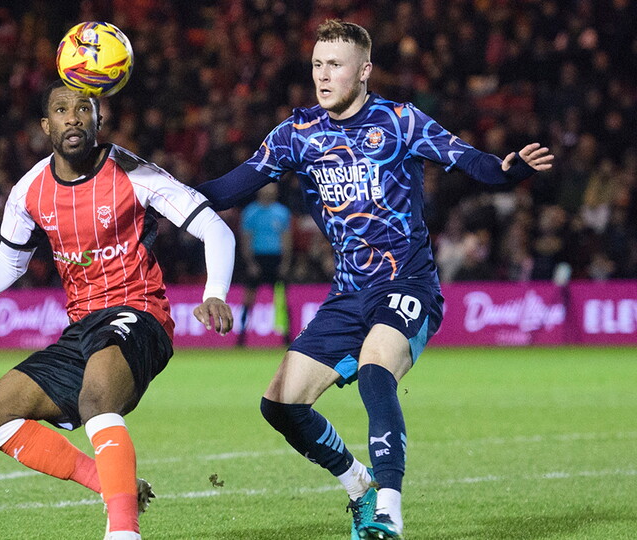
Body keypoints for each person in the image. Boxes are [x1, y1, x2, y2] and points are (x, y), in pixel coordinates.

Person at [196, 20, 553, 540]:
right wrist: (162, 197)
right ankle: (359, 484)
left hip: (407, 283)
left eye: (334, 65)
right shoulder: (297, 134)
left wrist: (511, 169)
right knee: (279, 405)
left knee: (374, 370)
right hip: (347, 294)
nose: (322, 74)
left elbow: (475, 163)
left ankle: (389, 510)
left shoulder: (401, 121)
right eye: (317, 64)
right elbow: (230, 187)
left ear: (364, 71)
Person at [0, 80, 236, 540]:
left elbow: (214, 228)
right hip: (82, 327)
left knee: (96, 401)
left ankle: (123, 532)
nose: (74, 117)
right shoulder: (29, 190)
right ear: (46, 126)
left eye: (84, 109)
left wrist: (216, 292)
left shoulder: (135, 174)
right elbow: (10, 261)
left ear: (98, 120)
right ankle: (113, 483)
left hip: (139, 313)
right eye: (62, 110)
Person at [236, 182, 292, 346]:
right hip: (257, 258)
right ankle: (242, 336)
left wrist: (285, 262)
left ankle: (287, 337)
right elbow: (246, 239)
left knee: (281, 300)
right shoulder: (250, 212)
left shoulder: (282, 212)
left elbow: (286, 239)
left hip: (276, 258)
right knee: (249, 299)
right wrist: (250, 262)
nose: (269, 190)